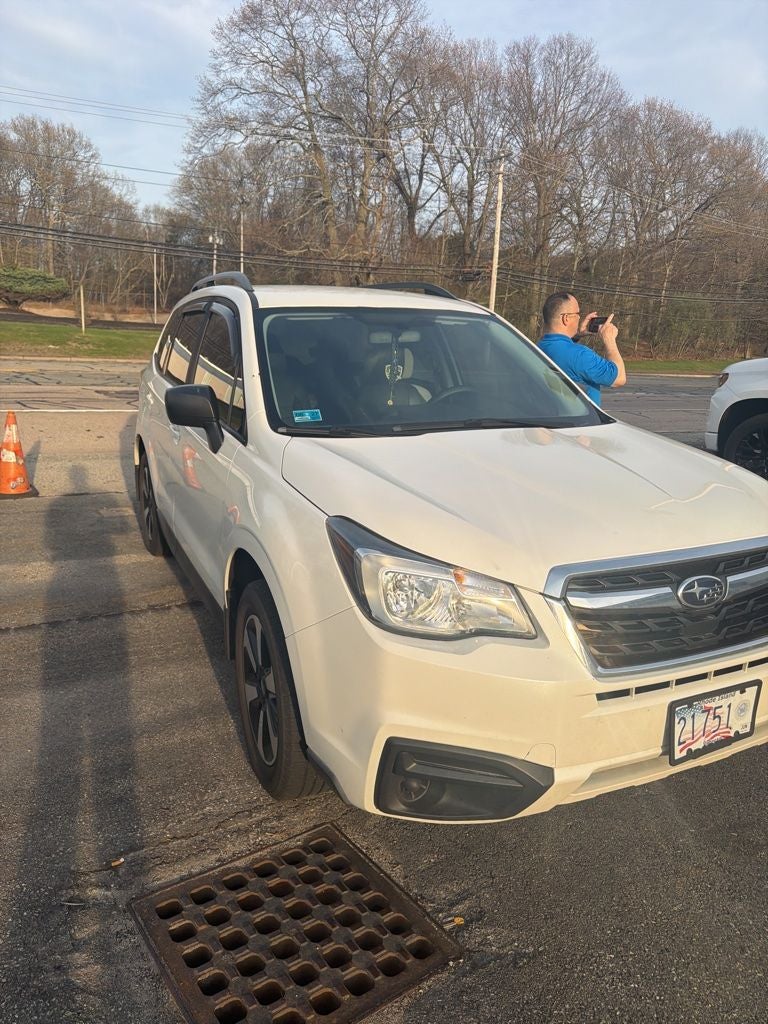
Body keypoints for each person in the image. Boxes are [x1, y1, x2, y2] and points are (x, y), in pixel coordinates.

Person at [538, 292, 626, 406]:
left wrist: (578, 334)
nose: (579, 317)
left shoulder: (537, 347)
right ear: (566, 318)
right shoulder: (581, 355)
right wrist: (609, 340)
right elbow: (619, 378)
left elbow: (561, 351)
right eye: (577, 313)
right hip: (583, 421)